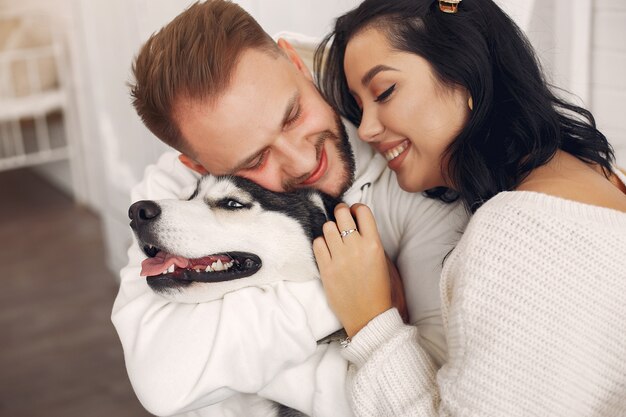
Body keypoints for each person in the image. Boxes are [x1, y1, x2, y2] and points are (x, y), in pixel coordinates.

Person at [111, 1, 467, 416]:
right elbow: (165, 379)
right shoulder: (176, 183)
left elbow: (438, 391)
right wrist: (351, 295)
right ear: (197, 167)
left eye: (293, 115)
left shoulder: (416, 159)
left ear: (297, 63)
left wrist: (230, 367)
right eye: (252, 161)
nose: (302, 162)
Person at [312, 0, 626, 415]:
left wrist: (373, 323)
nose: (367, 128)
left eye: (384, 92)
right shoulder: (602, 176)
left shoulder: (520, 232)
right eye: (359, 108)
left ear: (465, 72)